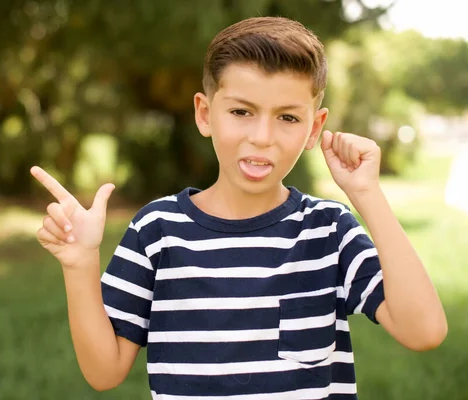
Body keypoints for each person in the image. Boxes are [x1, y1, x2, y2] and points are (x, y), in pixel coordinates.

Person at [30, 16, 447, 399]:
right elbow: (104, 373)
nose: (262, 136)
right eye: (241, 112)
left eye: (287, 118)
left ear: (313, 129)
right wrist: (81, 264)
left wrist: (367, 194)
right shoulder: (157, 232)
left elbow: (424, 330)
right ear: (205, 113)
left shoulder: (329, 231)